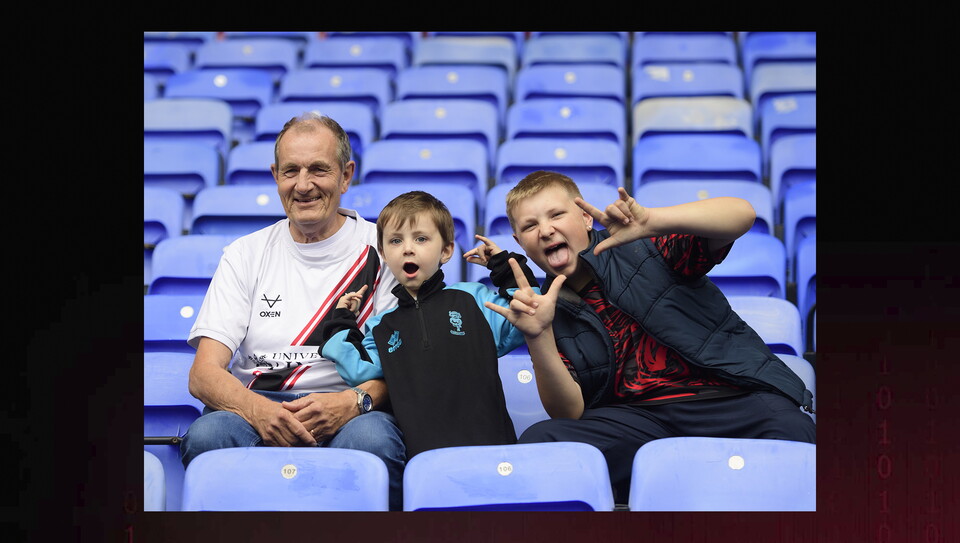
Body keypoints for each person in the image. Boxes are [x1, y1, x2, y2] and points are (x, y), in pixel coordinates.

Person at [481, 170, 816, 504]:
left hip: (726, 398)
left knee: (791, 429)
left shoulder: (645, 246)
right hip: (639, 420)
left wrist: (653, 221)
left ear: (585, 218)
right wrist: (539, 335)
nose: (545, 230)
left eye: (556, 214)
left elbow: (742, 215)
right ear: (520, 243)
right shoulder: (542, 307)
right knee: (543, 439)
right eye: (530, 226)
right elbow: (567, 412)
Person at [178, 113, 406, 510]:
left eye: (318, 169)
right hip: (258, 405)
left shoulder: (386, 249)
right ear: (275, 176)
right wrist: (260, 411)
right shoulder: (245, 254)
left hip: (351, 409)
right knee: (207, 437)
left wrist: (352, 402)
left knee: (374, 442)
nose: (303, 185)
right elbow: (203, 374)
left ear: (346, 176)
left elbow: (407, 366)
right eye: (290, 171)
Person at [319, 190, 547, 460]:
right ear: (383, 254)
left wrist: (503, 267)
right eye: (395, 240)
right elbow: (357, 370)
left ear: (447, 250)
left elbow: (525, 313)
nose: (407, 248)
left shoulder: (473, 299)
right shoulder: (381, 327)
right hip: (424, 466)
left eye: (421, 238)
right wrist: (343, 320)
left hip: (493, 454)